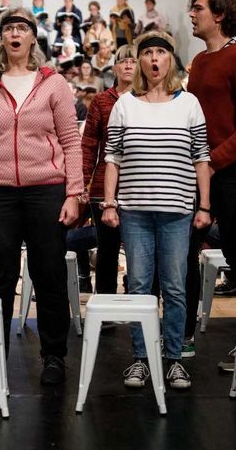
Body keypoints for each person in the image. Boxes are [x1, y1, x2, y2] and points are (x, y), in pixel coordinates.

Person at [0, 8, 83, 387]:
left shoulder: (53, 83)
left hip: (46, 190)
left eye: (22, 28)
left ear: (33, 37)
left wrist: (74, 193)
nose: (15, 34)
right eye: (9, 29)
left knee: (48, 274)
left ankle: (53, 356)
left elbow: (70, 141)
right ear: (1, 38)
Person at [101, 31, 211, 389]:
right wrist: (109, 202)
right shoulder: (124, 105)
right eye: (146, 53)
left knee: (175, 288)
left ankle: (174, 358)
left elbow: (201, 157)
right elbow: (113, 158)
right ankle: (141, 359)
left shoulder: (189, 103)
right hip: (134, 212)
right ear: (140, 63)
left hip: (177, 211)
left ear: (170, 61)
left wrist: (204, 205)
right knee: (138, 286)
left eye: (160, 53)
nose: (153, 59)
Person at [183, 0, 236, 364]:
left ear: (219, 15)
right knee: (184, 253)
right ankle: (180, 337)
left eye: (197, 8)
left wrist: (215, 161)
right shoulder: (200, 62)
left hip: (231, 172)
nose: (191, 14)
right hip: (198, 170)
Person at [82, 46, 137, 294]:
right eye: (123, 61)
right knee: (107, 250)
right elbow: (89, 146)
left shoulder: (147, 100)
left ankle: (139, 303)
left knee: (140, 251)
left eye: (133, 61)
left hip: (139, 186)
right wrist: (82, 183)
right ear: (114, 68)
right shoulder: (101, 101)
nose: (128, 65)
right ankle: (105, 310)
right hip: (103, 186)